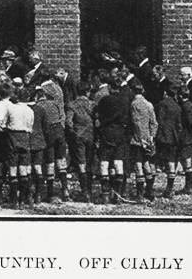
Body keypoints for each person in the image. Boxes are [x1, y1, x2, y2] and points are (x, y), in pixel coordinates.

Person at [94, 70, 131, 205]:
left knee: (104, 163)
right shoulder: (124, 101)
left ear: (109, 87)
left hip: (106, 134)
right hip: (120, 134)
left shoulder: (104, 101)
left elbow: (98, 117)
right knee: (118, 163)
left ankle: (105, 196)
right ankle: (118, 195)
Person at [3, 85, 35, 208]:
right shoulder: (30, 111)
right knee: (23, 168)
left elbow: (4, 123)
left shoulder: (11, 108)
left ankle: (13, 200)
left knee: (12, 168)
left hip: (12, 137)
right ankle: (23, 199)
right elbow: (30, 127)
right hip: (25, 137)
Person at [38, 80, 69, 202]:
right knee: (61, 161)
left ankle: (50, 193)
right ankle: (65, 189)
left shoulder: (40, 106)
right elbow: (63, 117)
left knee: (49, 162)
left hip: (49, 133)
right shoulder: (56, 104)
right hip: (59, 132)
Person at [65, 81, 95, 202]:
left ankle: (85, 192)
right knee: (90, 162)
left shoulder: (71, 105)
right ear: (87, 91)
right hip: (91, 135)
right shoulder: (92, 104)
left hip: (78, 136)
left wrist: (73, 132)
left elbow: (68, 121)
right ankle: (90, 190)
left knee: (81, 162)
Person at [128, 80, 158, 201]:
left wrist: (139, 139)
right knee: (147, 164)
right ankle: (150, 191)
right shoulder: (149, 104)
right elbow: (154, 123)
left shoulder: (134, 104)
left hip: (137, 139)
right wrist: (151, 137)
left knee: (138, 164)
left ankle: (140, 194)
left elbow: (136, 123)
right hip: (148, 139)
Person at [153, 80, 183, 200]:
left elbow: (158, 121)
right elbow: (179, 125)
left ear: (165, 92)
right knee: (171, 162)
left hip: (161, 137)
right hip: (173, 138)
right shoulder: (177, 107)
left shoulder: (161, 104)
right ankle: (169, 189)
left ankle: (149, 188)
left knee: (154, 162)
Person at [176, 87, 192, 196]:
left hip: (186, 138)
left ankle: (188, 186)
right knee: (186, 161)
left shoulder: (186, 107)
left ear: (181, 96)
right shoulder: (189, 105)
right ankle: (190, 185)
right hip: (188, 137)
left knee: (186, 161)